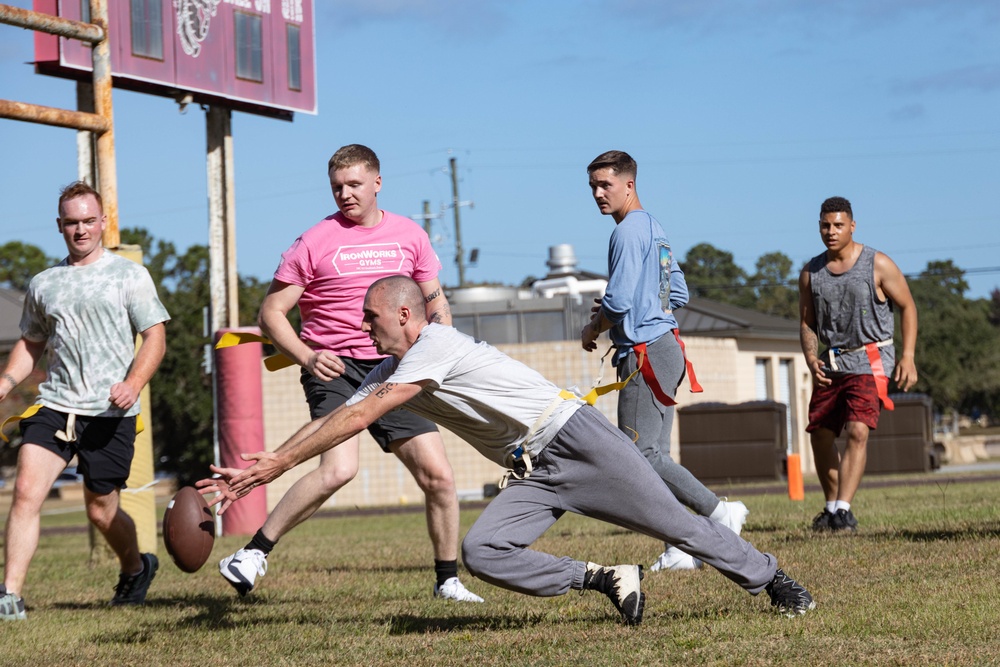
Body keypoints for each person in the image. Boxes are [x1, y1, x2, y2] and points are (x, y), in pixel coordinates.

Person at [200, 276, 816, 625]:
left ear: (408, 314)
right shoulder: (393, 364)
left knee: (676, 524)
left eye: (372, 318)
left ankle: (773, 579)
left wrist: (278, 466)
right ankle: (604, 577)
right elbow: (338, 416)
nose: (365, 328)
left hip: (577, 439)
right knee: (482, 550)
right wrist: (266, 464)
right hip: (535, 468)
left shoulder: (432, 346)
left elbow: (364, 412)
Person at [217, 145, 481, 603]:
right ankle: (253, 554)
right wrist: (306, 356)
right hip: (334, 368)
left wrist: (437, 353)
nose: (345, 194)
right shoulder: (314, 240)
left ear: (377, 182)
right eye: (337, 187)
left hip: (397, 368)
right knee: (339, 469)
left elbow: (436, 303)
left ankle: (447, 581)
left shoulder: (410, 235)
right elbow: (272, 313)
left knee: (438, 475)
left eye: (354, 184)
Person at [0, 181, 169, 620]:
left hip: (111, 411)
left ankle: (136, 567)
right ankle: (10, 595)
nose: (81, 230)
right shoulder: (44, 283)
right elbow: (32, 342)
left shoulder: (129, 275)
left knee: (100, 509)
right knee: (25, 493)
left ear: (103, 222)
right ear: (59, 226)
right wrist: (6, 379)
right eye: (72, 222)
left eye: (88, 221)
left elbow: (155, 337)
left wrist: (133, 383)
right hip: (55, 404)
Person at [581, 151, 748, 571]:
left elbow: (617, 303)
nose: (599, 194)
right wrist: (642, 308)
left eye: (606, 185)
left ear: (629, 184)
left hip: (645, 354)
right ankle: (681, 547)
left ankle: (719, 513)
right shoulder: (655, 228)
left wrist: (593, 327)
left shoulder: (624, 233)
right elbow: (679, 295)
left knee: (639, 456)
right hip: (666, 347)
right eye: (593, 187)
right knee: (657, 454)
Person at [799, 196, 918, 533]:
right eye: (825, 225)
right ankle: (832, 506)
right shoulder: (811, 272)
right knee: (820, 435)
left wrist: (907, 356)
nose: (831, 231)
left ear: (852, 226)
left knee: (858, 429)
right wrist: (810, 358)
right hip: (832, 360)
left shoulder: (877, 264)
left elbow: (908, 306)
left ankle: (843, 510)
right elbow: (807, 323)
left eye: (838, 225)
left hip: (871, 358)